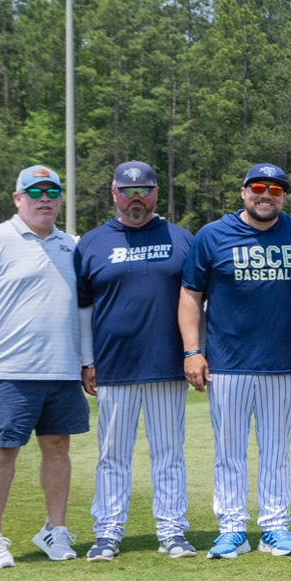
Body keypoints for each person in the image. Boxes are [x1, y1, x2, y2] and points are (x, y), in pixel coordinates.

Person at [0, 165, 90, 569]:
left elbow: (83, 309)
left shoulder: (73, 245)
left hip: (61, 369)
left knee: (58, 448)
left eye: (52, 192)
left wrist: (86, 361)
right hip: (8, 370)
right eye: (35, 192)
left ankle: (56, 529)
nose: (44, 198)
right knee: (4, 450)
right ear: (18, 198)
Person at [180, 163, 291, 559]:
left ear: (283, 196)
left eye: (275, 189)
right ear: (243, 192)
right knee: (230, 451)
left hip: (281, 361)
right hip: (226, 363)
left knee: (276, 450)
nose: (266, 195)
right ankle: (232, 528)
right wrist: (192, 350)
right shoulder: (212, 235)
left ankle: (274, 526)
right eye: (258, 187)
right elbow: (190, 295)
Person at [73, 161, 196, 560]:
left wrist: (196, 352)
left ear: (156, 193)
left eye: (143, 190)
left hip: (167, 365)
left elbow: (198, 302)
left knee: (168, 454)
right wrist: (88, 360)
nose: (136, 198)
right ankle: (107, 532)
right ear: (114, 194)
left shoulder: (181, 239)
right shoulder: (91, 243)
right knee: (112, 456)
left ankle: (172, 530)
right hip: (114, 367)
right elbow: (83, 309)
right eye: (127, 191)